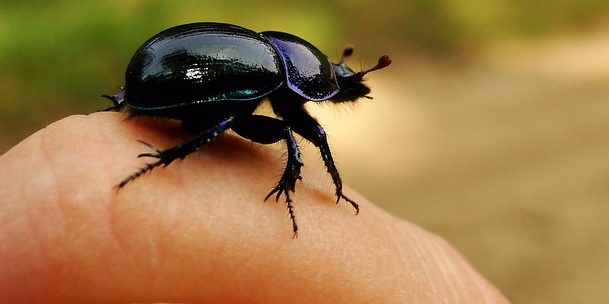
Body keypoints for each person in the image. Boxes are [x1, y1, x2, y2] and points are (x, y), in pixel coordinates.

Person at [0, 113, 509, 303]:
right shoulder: (266, 70)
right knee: (245, 127)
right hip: (173, 86)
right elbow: (309, 132)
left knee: (245, 126)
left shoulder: (266, 58)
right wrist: (328, 184)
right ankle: (162, 163)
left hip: (156, 78)